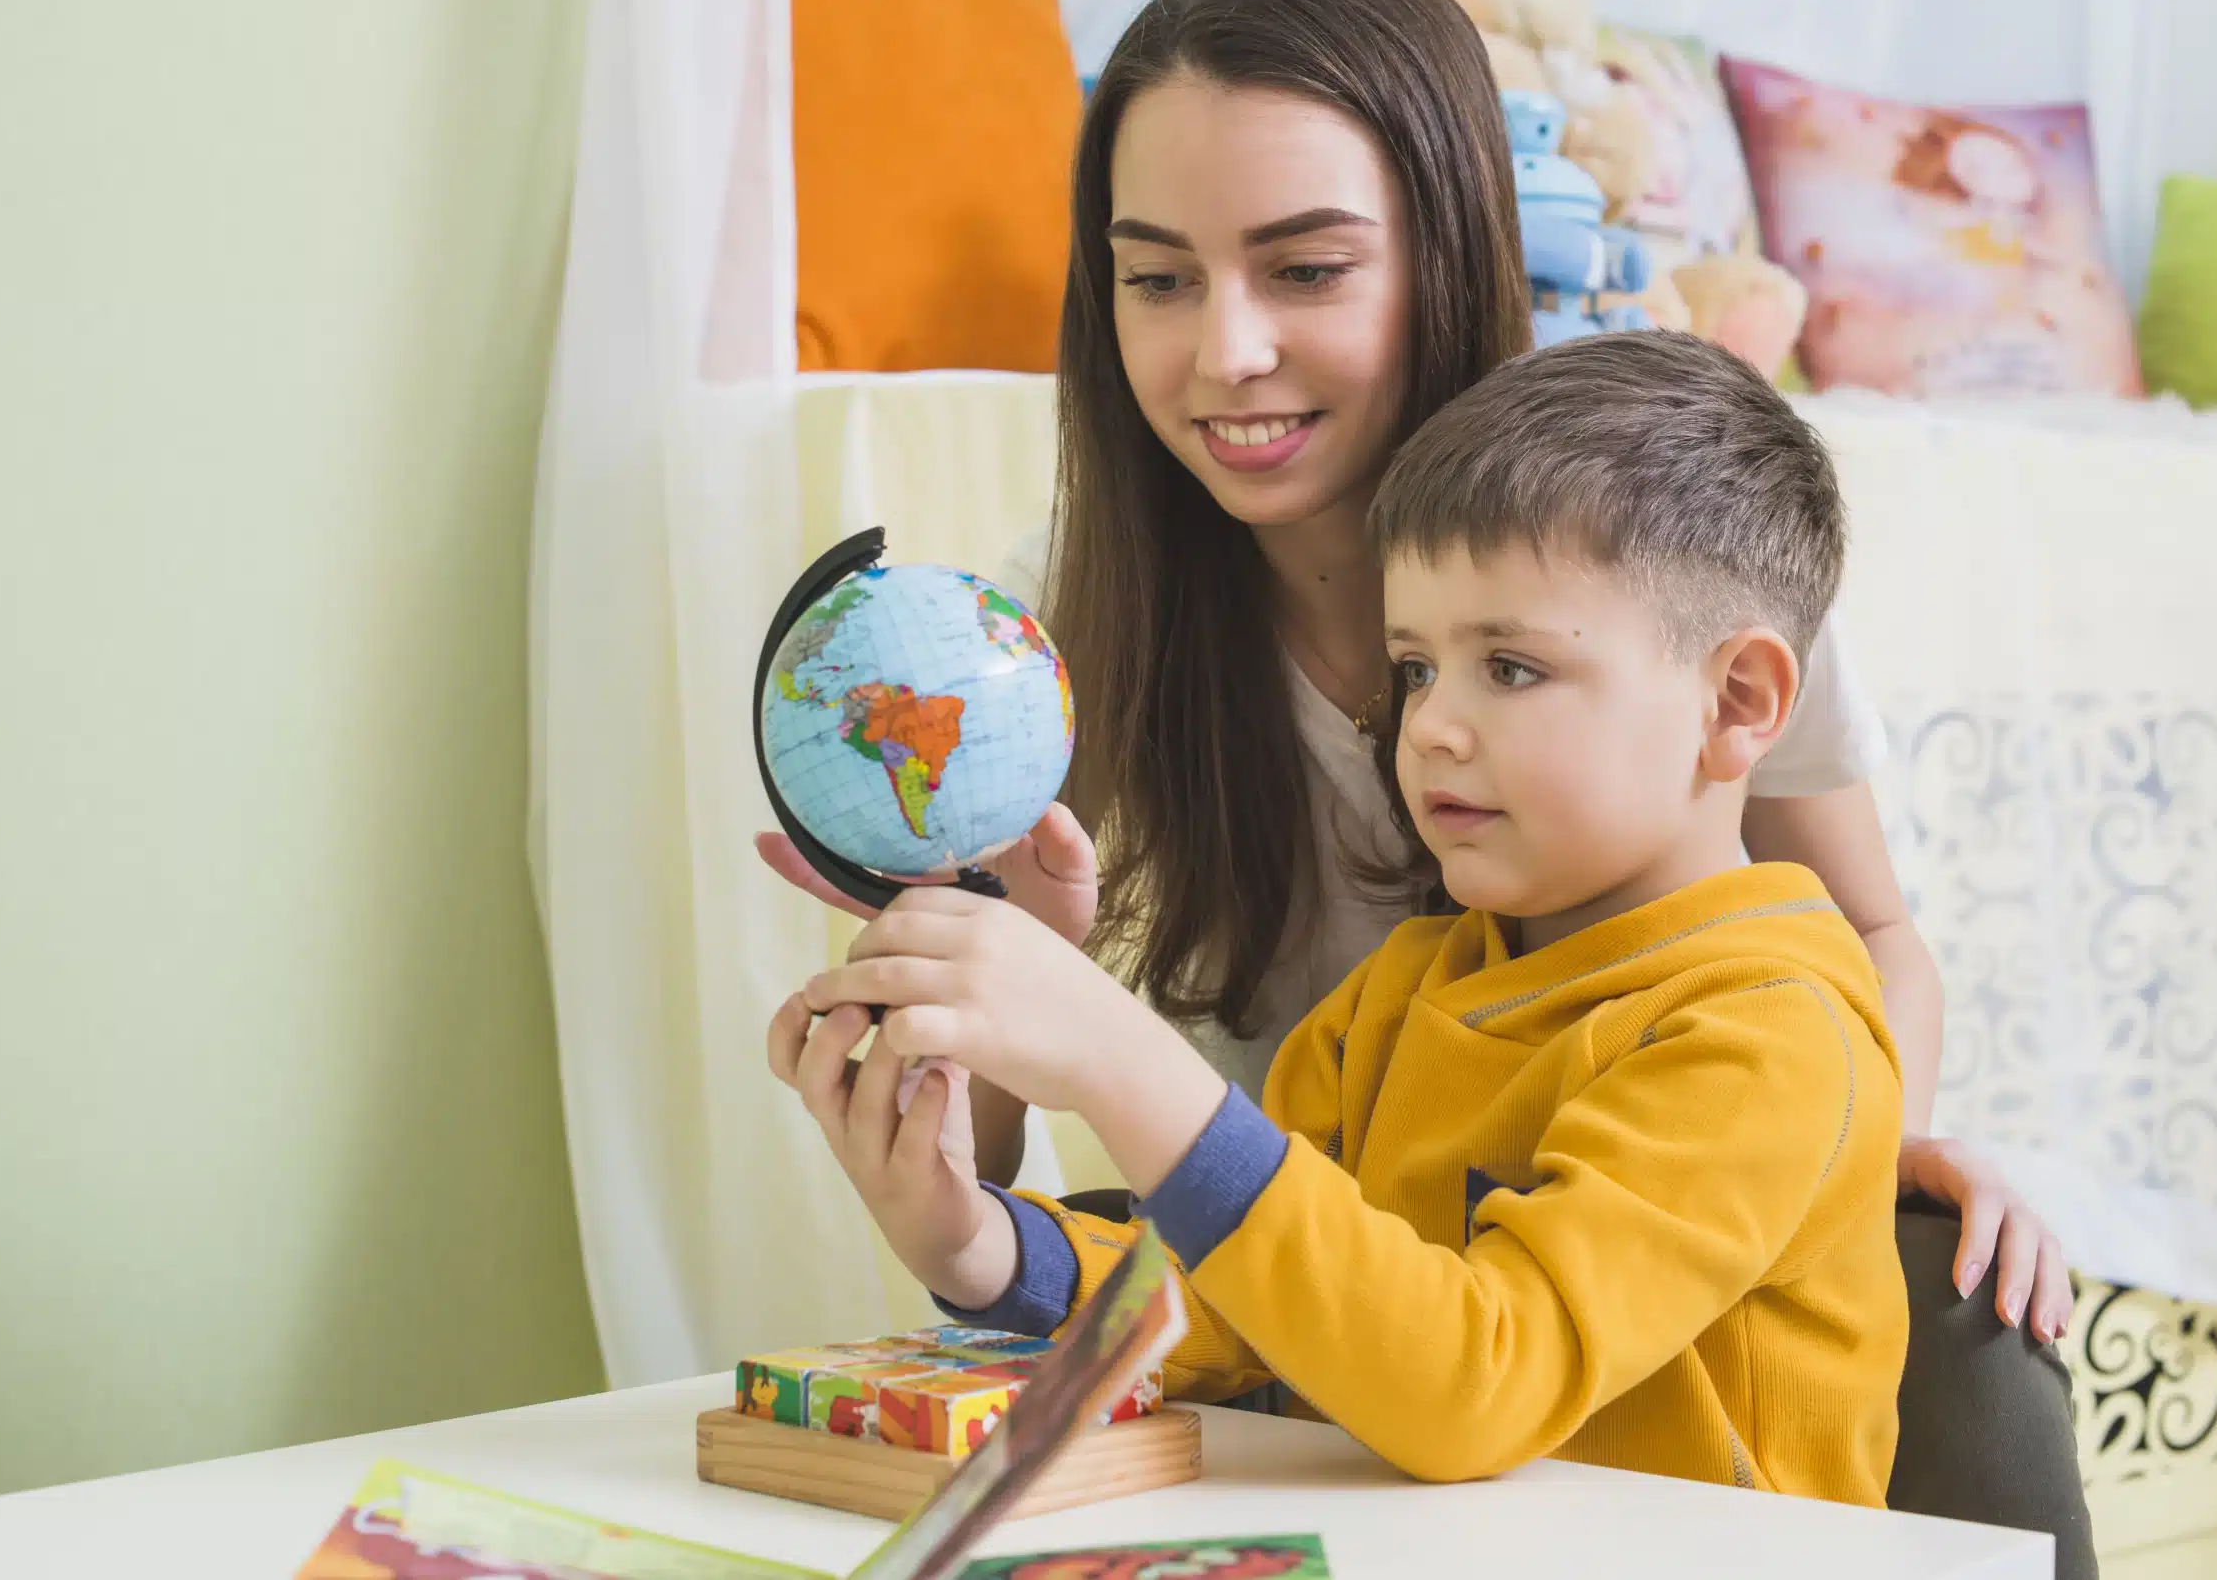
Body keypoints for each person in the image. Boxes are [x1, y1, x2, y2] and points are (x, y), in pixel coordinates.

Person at [756, 0, 2092, 1567]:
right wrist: (975, 1222)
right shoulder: (1062, 663)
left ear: (1444, 245)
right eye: (1158, 276)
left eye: (1305, 269)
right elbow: (1252, 1302)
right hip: (1352, 1431)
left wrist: (1835, 1135)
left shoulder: (1655, 542)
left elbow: (1831, 959)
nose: (1222, 350)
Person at [773, 330, 1908, 1497]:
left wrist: (1123, 1060)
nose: (1432, 727)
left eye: (1509, 667)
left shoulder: (1770, 1034)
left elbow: (1476, 1382)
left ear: (1738, 700)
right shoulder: (1405, 990)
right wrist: (976, 1242)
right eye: (1414, 667)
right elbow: (1247, 1304)